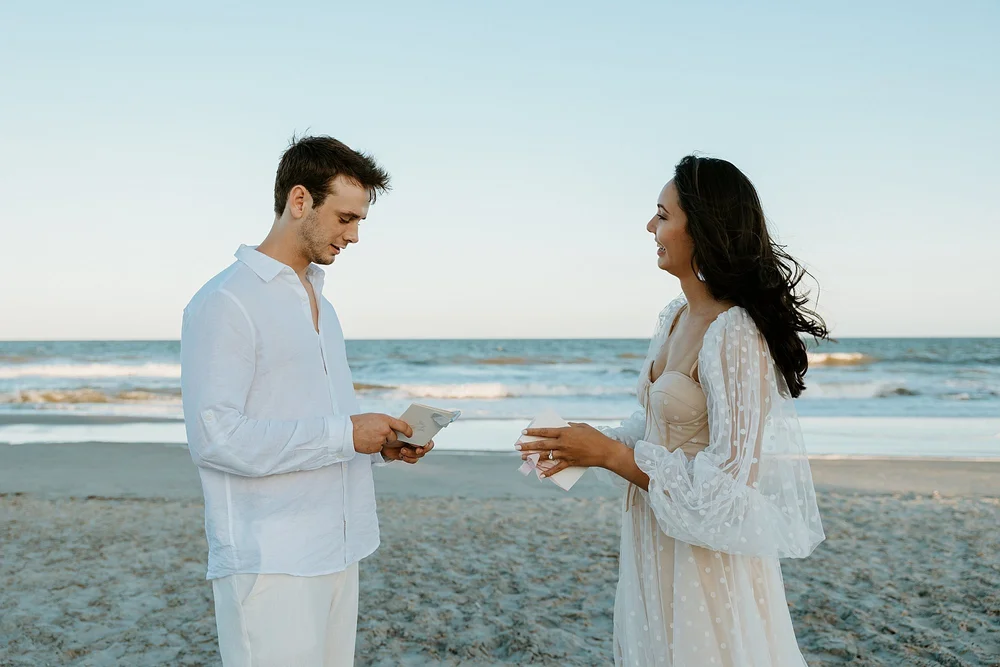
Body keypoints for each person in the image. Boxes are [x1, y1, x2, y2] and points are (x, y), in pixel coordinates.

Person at [519, 155, 828, 666]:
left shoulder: (735, 332)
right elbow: (654, 425)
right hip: (654, 535)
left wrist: (612, 456)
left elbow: (730, 489)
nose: (650, 227)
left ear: (703, 229)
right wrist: (581, 443)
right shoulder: (675, 316)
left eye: (663, 216)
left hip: (704, 560)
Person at [180, 135, 432, 667]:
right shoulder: (226, 301)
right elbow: (216, 438)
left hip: (341, 548)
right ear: (300, 201)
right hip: (271, 561)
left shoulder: (322, 302)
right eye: (345, 218)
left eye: (360, 220)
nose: (355, 235)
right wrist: (346, 434)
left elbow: (315, 423)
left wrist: (375, 445)